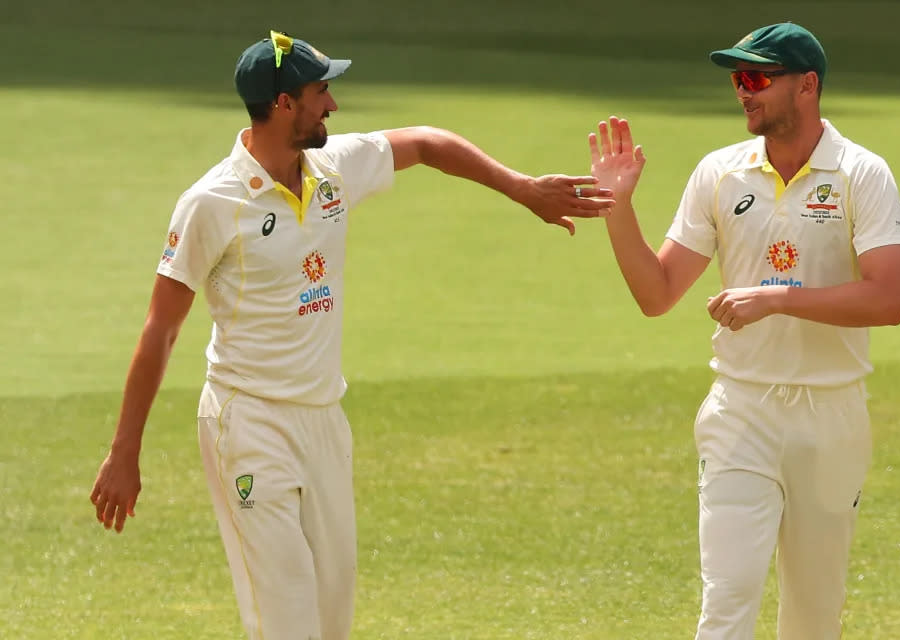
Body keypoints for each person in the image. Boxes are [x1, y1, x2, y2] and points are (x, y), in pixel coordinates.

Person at [89, 30, 614, 640]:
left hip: (324, 421)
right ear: (284, 104)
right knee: (286, 623)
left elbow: (425, 143)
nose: (332, 105)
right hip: (249, 424)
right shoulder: (212, 203)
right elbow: (161, 327)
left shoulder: (332, 166)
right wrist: (126, 450)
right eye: (320, 92)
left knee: (331, 623)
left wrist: (521, 188)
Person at [587, 22, 900, 640]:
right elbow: (656, 295)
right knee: (727, 605)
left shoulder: (862, 174)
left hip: (832, 414)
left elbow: (888, 297)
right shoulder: (720, 172)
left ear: (807, 86)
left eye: (757, 77)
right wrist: (620, 207)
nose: (742, 90)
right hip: (740, 409)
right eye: (738, 78)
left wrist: (777, 298)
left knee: (814, 618)